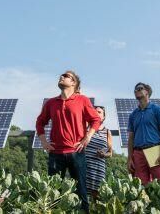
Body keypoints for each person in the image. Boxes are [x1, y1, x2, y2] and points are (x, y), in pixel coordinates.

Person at [35, 70, 101, 213]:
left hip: (76, 153)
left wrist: (87, 137)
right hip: (55, 154)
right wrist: (44, 142)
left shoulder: (83, 100)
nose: (61, 77)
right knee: (53, 192)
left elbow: (96, 119)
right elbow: (40, 122)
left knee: (81, 190)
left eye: (66, 76)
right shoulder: (51, 103)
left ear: (73, 83)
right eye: (61, 75)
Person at [127, 82, 160, 185]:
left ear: (147, 92)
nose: (136, 90)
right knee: (141, 188)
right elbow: (131, 139)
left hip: (155, 151)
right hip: (138, 153)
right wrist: (129, 159)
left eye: (139, 88)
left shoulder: (157, 110)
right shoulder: (133, 115)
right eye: (135, 89)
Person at [85, 105, 113, 199]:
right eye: (95, 111)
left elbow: (110, 153)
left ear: (104, 117)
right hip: (85, 166)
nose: (96, 113)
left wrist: (104, 154)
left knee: (97, 197)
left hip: (98, 169)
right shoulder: (86, 129)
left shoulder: (107, 132)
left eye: (99, 112)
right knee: (82, 194)